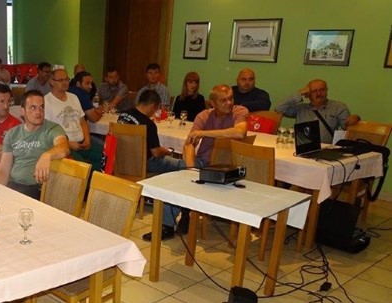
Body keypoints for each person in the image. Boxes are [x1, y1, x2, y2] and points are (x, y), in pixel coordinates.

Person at [142, 84, 249, 241]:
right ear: (212, 103)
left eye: (231, 99)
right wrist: (190, 169)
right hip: (203, 163)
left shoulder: (239, 112)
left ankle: (186, 211)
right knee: (175, 180)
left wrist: (204, 133)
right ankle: (167, 226)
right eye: (223, 100)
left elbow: (240, 132)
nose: (229, 103)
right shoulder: (203, 116)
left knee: (178, 173)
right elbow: (189, 144)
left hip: (230, 169)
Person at [0, 90, 69, 199]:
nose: (38, 112)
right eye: (33, 108)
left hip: (37, 189)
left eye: (41, 107)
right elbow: (3, 171)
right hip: (13, 185)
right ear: (22, 111)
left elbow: (64, 148)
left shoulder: (52, 129)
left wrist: (46, 155)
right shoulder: (12, 134)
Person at [275, 79, 360, 144]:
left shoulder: (338, 107)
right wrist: (300, 93)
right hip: (301, 149)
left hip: (325, 151)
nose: (319, 93)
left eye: (322, 90)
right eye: (314, 91)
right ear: (308, 94)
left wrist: (355, 118)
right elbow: (278, 108)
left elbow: (347, 126)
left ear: (327, 91)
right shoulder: (301, 108)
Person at [118, 90, 181, 174]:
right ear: (152, 106)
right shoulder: (149, 124)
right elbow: (156, 153)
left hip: (122, 159)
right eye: (156, 109)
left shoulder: (123, 115)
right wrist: (166, 151)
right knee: (180, 164)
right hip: (143, 163)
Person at [45, 68, 94, 165]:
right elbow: (48, 132)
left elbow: (82, 121)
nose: (65, 82)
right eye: (60, 80)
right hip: (64, 146)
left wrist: (87, 138)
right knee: (82, 165)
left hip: (82, 142)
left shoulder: (74, 97)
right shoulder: (46, 101)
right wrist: (69, 143)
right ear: (52, 82)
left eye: (66, 79)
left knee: (104, 155)